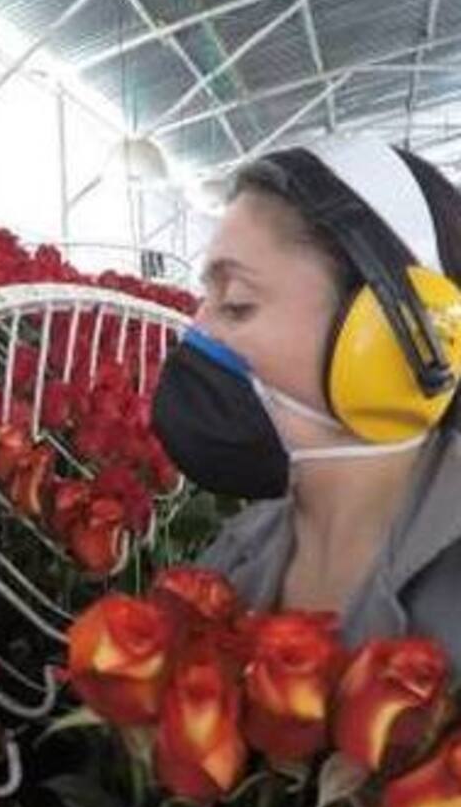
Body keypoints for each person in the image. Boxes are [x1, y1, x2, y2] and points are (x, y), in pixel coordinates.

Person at [151, 137, 461, 663]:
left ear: (392, 335)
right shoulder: (229, 558)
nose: (195, 335)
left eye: (237, 303)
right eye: (206, 300)